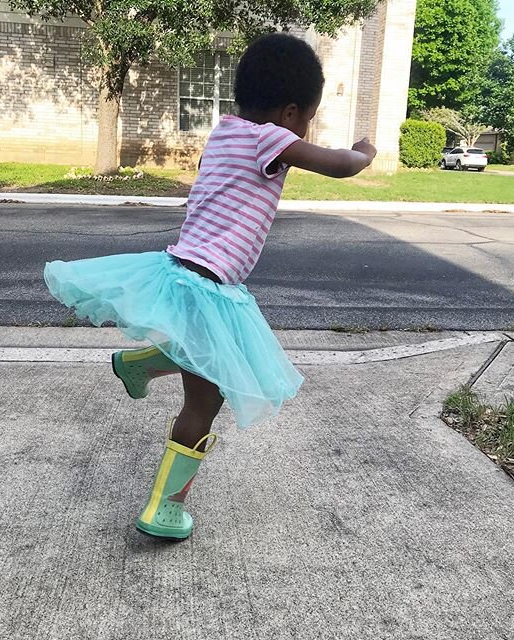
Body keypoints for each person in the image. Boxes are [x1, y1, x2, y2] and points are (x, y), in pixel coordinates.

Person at [44, 32, 377, 541]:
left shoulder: (224, 132)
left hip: (183, 270)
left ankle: (138, 364)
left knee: (207, 356)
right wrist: (363, 151)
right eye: (309, 116)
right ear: (291, 113)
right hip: (210, 285)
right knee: (208, 398)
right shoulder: (272, 138)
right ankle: (166, 509)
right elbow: (338, 166)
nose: (306, 129)